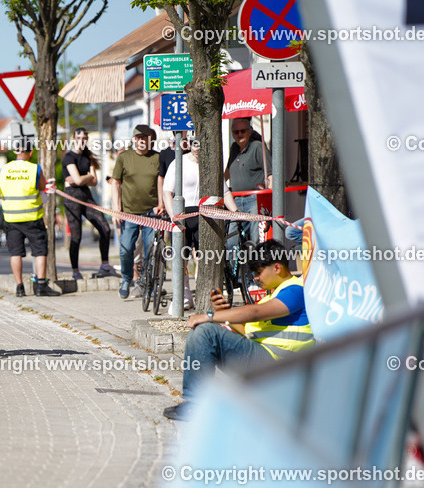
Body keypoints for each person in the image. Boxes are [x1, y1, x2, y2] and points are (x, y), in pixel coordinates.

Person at [163, 239, 314, 421]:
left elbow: (255, 312)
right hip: (266, 360)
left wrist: (209, 316)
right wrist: (224, 313)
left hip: (278, 366)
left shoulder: (295, 290)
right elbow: (249, 332)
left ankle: (196, 404)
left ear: (277, 268)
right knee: (204, 331)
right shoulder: (276, 293)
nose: (256, 278)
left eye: (258, 273)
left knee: (205, 331)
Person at [0, 138, 60, 298]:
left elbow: (0, 194)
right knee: (39, 251)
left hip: (11, 219)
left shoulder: (4, 169)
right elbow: (42, 190)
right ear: (30, 152)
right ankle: (41, 286)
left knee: (15, 253)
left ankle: (19, 287)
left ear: (16, 151)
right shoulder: (35, 169)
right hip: (32, 217)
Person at [110, 125, 160, 300]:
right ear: (133, 139)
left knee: (150, 250)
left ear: (149, 140)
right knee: (126, 249)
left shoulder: (156, 158)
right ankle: (126, 279)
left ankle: (148, 283)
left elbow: (161, 183)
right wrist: (116, 210)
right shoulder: (124, 158)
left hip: (151, 213)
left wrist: (161, 204)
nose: (141, 140)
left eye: (144, 138)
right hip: (129, 213)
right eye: (138, 137)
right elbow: (115, 183)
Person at [62, 127, 114, 280]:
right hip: (72, 198)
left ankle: (105, 265)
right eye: (79, 138)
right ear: (73, 139)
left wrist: (83, 177)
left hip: (86, 196)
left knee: (104, 227)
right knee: (76, 236)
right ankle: (75, 271)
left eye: (84, 138)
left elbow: (94, 181)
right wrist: (86, 177)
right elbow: (81, 180)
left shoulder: (87, 156)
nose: (82, 141)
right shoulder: (68, 158)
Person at [161, 141, 201, 310]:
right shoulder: (179, 163)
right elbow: (167, 192)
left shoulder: (210, 162)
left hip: (203, 213)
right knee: (181, 256)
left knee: (201, 255)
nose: (197, 149)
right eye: (194, 144)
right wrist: (174, 217)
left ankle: (201, 293)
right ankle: (183, 294)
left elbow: (224, 189)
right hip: (182, 213)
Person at [224, 118, 271, 253]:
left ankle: (256, 270)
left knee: (256, 239)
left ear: (249, 131)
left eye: (242, 131)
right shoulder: (234, 148)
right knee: (232, 238)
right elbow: (228, 172)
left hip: (254, 200)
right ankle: (235, 273)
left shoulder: (257, 146)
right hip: (235, 200)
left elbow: (271, 173)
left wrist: (269, 193)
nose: (239, 134)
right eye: (236, 132)